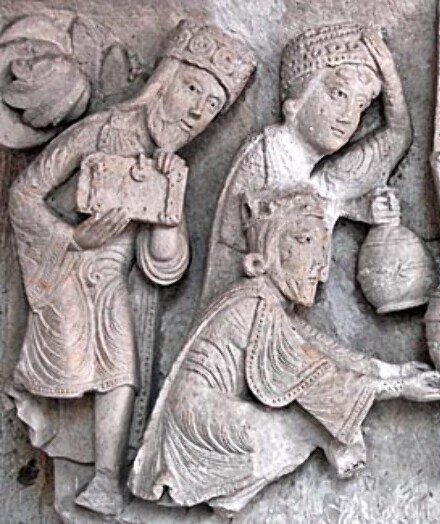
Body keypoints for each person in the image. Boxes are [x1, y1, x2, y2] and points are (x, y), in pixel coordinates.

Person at [8, 20, 255, 515]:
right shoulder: (100, 131)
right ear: (163, 79)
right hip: (64, 274)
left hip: (114, 283)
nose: (195, 113)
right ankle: (84, 474)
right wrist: (73, 237)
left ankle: (105, 479)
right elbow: (24, 193)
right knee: (87, 359)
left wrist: (168, 207)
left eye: (210, 108)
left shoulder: (171, 168)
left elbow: (166, 267)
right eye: (190, 89)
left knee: (121, 364)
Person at [129, 191, 440, 518]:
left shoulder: (267, 303)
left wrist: (396, 372)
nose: (320, 266)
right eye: (305, 243)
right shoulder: (254, 303)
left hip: (205, 414)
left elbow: (329, 352)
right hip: (198, 419)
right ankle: (246, 490)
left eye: (322, 250)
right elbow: (312, 378)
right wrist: (399, 389)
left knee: (317, 419)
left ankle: (321, 449)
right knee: (299, 428)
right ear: (268, 254)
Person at [202, 22, 412, 306]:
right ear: (296, 100)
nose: (348, 116)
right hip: (244, 315)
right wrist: (344, 207)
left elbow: (397, 136)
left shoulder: (317, 177)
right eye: (338, 94)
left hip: (275, 317)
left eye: (361, 105)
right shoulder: (266, 155)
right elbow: (251, 247)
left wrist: (390, 78)